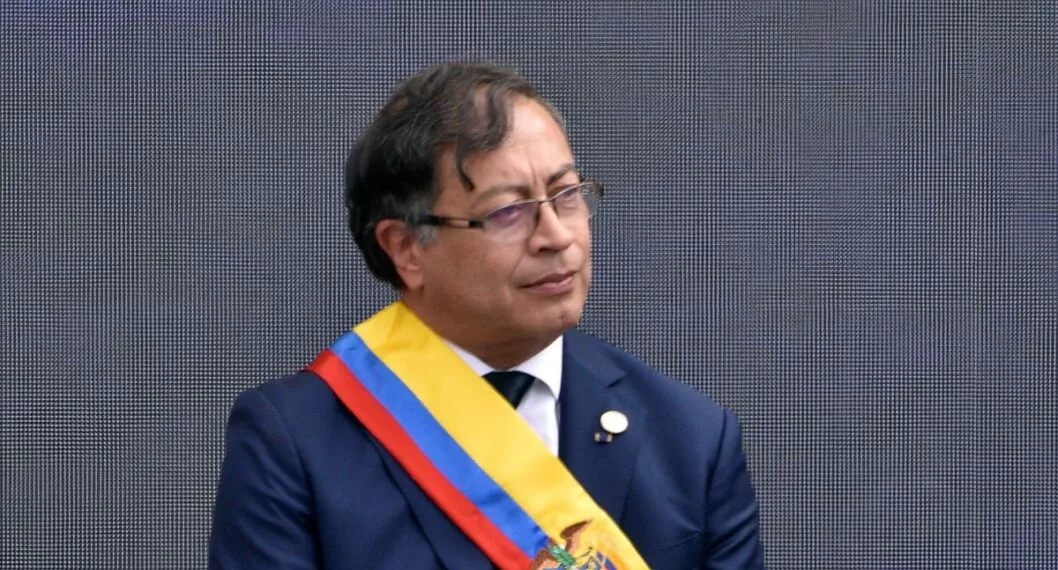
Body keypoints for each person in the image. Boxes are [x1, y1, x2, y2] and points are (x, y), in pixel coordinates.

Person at [208, 60, 765, 569]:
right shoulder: (294, 442)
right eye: (508, 211)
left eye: (566, 194)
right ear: (406, 248)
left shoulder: (692, 440)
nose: (556, 236)